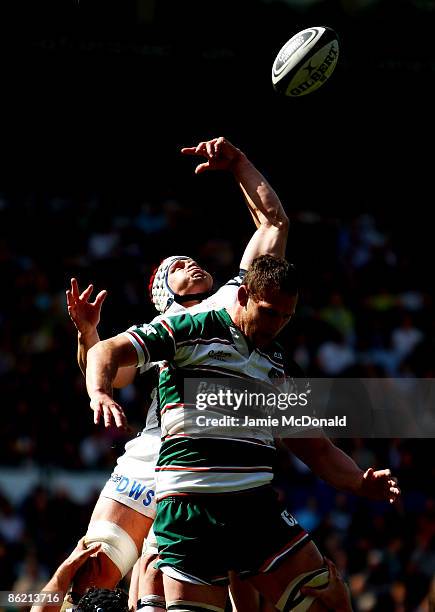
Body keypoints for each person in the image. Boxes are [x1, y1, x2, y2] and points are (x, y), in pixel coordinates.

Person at [85, 255, 400, 612]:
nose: (276, 324)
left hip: (255, 509)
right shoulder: (191, 328)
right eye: (268, 312)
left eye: (286, 316)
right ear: (244, 295)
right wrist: (100, 392)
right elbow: (106, 350)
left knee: (330, 601)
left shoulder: (276, 362)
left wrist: (359, 481)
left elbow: (315, 448)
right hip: (191, 514)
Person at [65, 136, 290, 610]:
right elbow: (111, 371)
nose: (189, 262)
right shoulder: (161, 328)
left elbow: (272, 222)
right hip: (153, 456)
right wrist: (88, 334)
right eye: (175, 267)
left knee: (200, 595)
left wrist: (240, 165)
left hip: (217, 467)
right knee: (89, 576)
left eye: (190, 258)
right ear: (162, 295)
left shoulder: (236, 295)